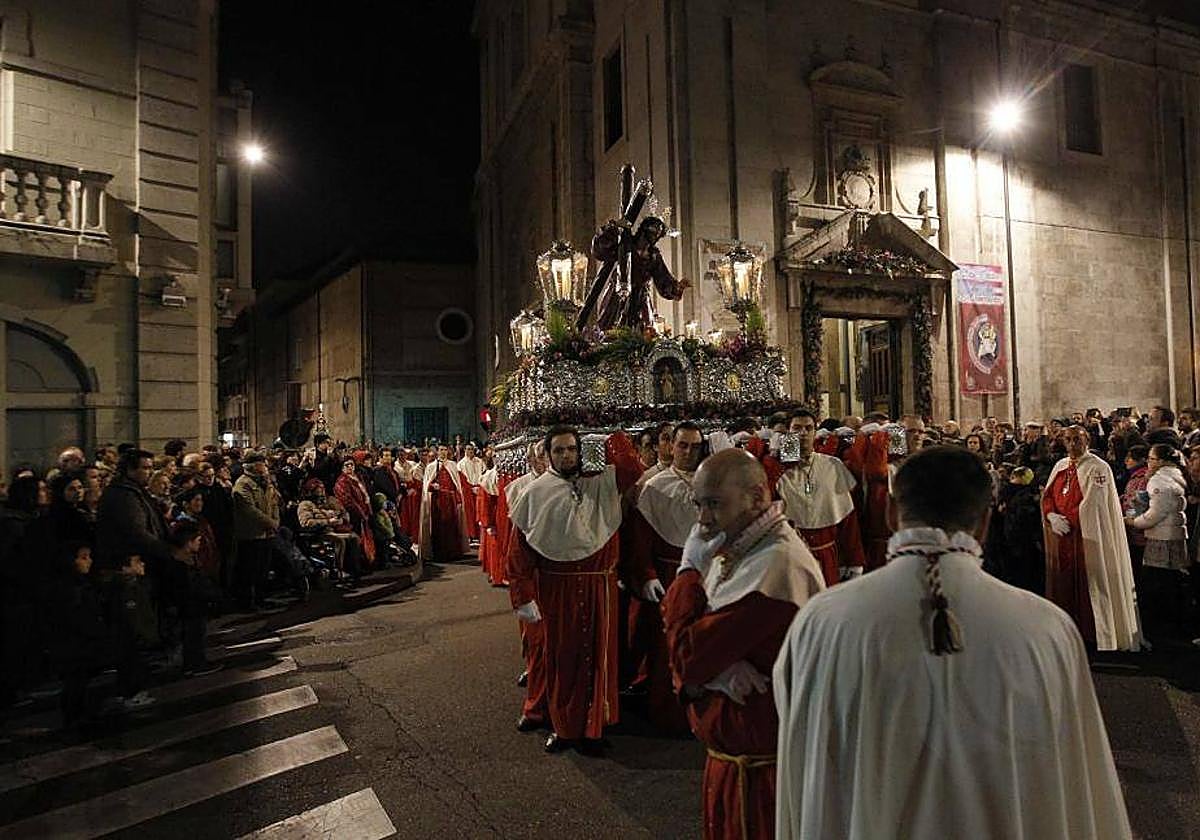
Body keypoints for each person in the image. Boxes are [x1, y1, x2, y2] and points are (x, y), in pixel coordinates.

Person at [773, 445, 1133, 840]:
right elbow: (1075, 772)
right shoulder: (1045, 628)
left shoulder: (823, 620)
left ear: (893, 514)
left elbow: (803, 754)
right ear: (983, 522)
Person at [660, 448, 824, 839]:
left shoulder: (775, 565)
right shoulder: (741, 543)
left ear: (756, 497)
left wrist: (686, 573)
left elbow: (685, 655)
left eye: (714, 504)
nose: (702, 520)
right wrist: (714, 668)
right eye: (698, 504)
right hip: (737, 761)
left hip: (760, 774)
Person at [507, 426, 642, 754]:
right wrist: (523, 598)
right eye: (559, 450)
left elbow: (633, 468)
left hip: (600, 586)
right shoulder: (535, 493)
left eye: (572, 449)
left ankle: (595, 728)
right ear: (549, 454)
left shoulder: (600, 481)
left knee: (599, 658)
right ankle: (565, 728)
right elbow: (518, 554)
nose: (567, 455)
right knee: (563, 660)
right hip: (558, 588)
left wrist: (609, 436)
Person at [626, 420, 705, 732]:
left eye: (695, 446)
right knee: (666, 647)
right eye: (682, 445)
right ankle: (668, 714)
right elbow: (641, 538)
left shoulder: (710, 481)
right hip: (668, 573)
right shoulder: (655, 486)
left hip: (705, 576)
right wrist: (645, 575)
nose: (688, 451)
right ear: (671, 446)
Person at [1042, 426, 1142, 651]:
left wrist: (1071, 519)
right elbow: (1048, 496)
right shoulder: (1060, 466)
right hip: (1064, 539)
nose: (1072, 444)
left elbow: (1094, 506)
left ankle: (1095, 633)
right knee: (1065, 584)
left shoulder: (1098, 467)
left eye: (1077, 439)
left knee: (1094, 584)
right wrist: (1051, 515)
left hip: (1089, 537)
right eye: (1067, 439)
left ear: (1086, 440)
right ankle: (1069, 630)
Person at [774, 410, 865, 587]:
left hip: (828, 556)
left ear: (815, 432)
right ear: (787, 433)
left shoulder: (833, 465)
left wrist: (854, 560)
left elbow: (848, 518)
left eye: (808, 428)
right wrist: (777, 461)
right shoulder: (778, 470)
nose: (803, 433)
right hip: (791, 556)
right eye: (797, 428)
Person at [1125, 444, 1190, 641]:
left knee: (1158, 585)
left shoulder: (1160, 481)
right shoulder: (1174, 476)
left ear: (1161, 461)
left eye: (1152, 459)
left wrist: (1133, 521)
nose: (1149, 462)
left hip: (1162, 538)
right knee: (1170, 582)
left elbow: (1155, 515)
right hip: (1172, 536)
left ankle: (1161, 629)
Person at [232, 453, 279, 610]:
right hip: (251, 534)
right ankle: (247, 601)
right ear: (253, 466)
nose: (266, 466)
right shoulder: (242, 485)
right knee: (250, 569)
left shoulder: (266, 482)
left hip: (267, 533)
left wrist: (275, 521)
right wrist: (270, 522)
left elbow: (273, 503)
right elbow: (249, 510)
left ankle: (261, 598)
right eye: (262, 463)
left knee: (263, 568)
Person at [418, 444, 468, 561]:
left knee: (452, 525)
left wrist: (458, 498)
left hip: (450, 500)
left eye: (445, 450)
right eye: (441, 450)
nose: (443, 452)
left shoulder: (453, 465)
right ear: (437, 452)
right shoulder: (431, 467)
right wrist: (432, 485)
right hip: (438, 501)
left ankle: (453, 552)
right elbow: (426, 486)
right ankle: (439, 553)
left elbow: (457, 484)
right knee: (439, 526)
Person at [334, 457, 377, 569]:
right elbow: (348, 501)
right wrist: (361, 513)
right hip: (354, 515)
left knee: (367, 540)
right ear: (342, 467)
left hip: (364, 512)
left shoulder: (357, 478)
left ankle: (367, 563)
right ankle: (358, 566)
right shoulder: (342, 481)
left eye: (351, 464)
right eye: (347, 465)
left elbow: (365, 494)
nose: (350, 467)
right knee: (359, 541)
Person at [457, 443, 485, 544]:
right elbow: (461, 479)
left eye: (472, 449)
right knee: (469, 513)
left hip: (479, 488)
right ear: (465, 450)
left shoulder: (480, 461)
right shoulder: (461, 464)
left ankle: (478, 534)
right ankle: (471, 534)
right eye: (468, 449)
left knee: (480, 511)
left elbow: (484, 474)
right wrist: (471, 488)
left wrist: (479, 486)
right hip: (467, 490)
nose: (470, 451)